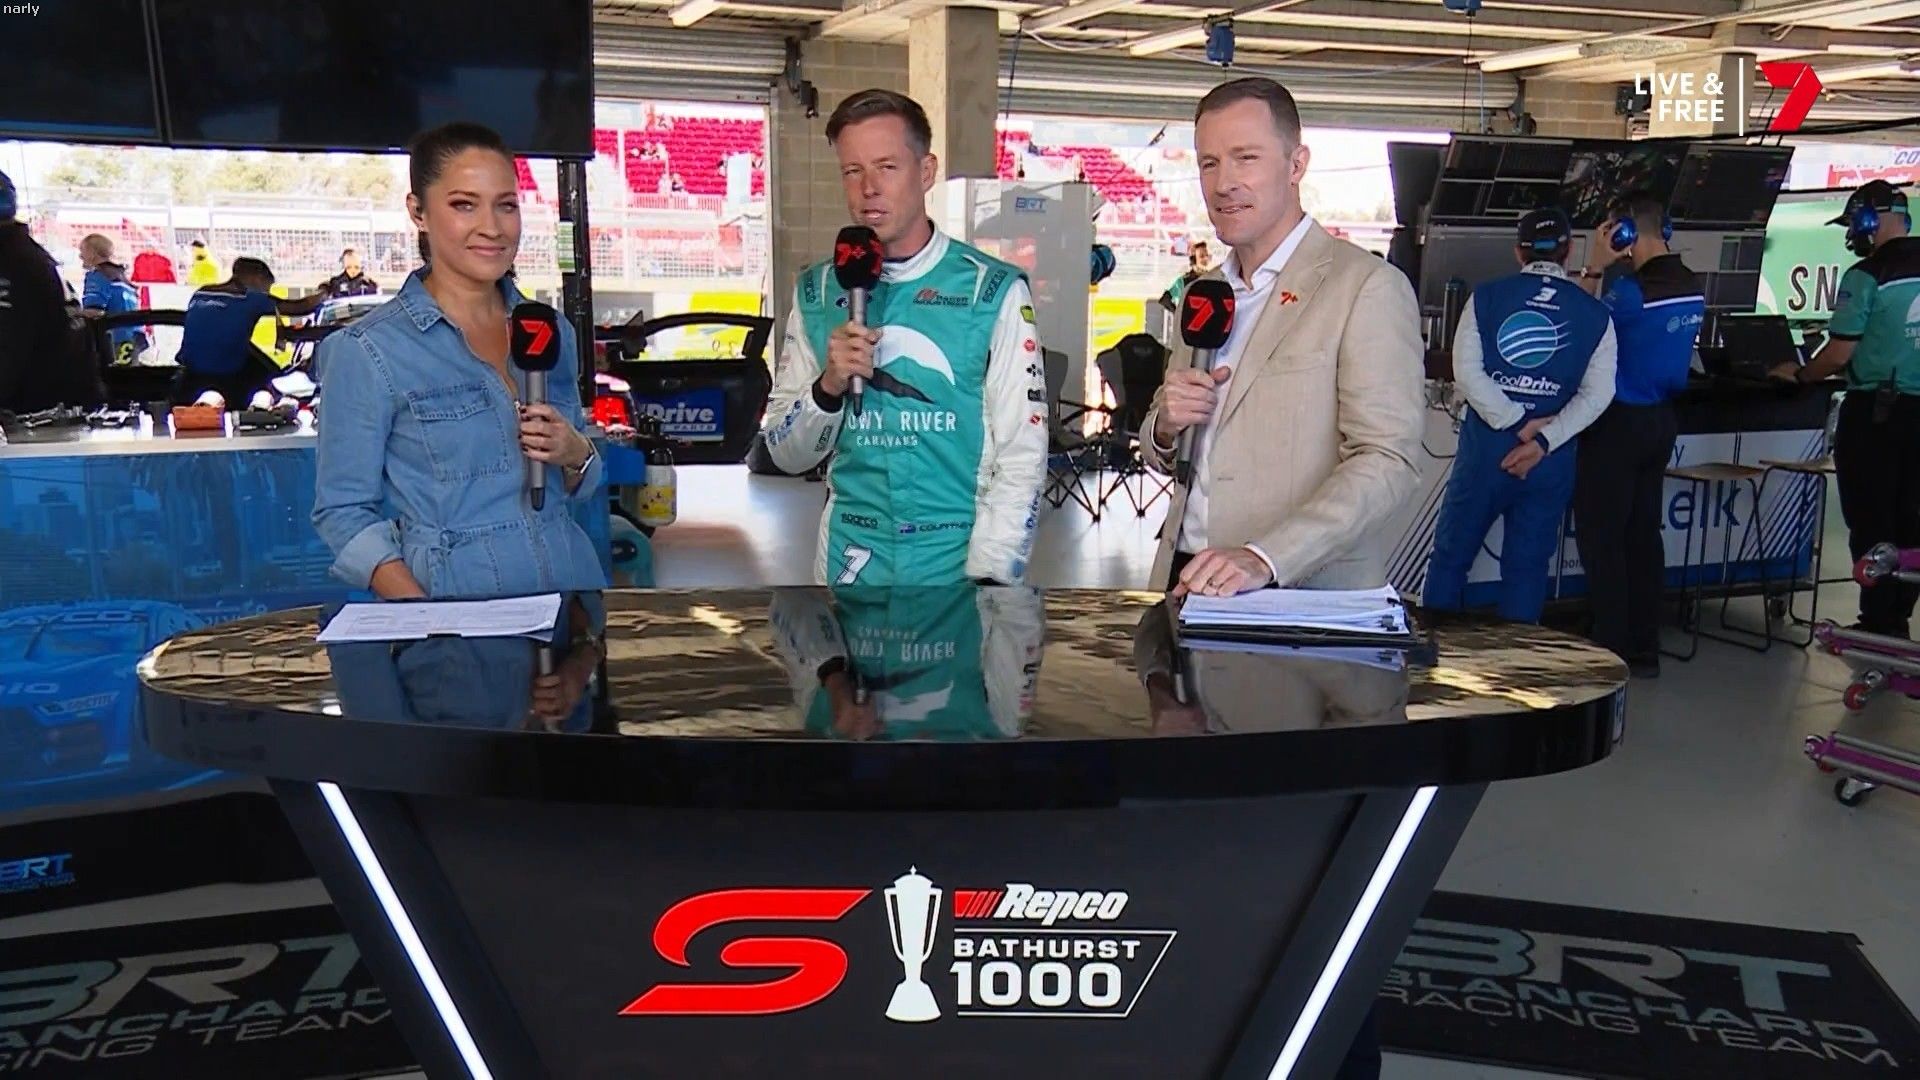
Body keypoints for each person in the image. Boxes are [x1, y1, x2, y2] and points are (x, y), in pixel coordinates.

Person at [1142, 77, 1424, 600]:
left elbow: (1388, 460)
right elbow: (1170, 446)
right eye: (1209, 163)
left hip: (1300, 592)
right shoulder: (1203, 293)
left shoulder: (1365, 287)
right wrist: (1164, 425)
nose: (1224, 183)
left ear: (1296, 165)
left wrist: (1265, 557)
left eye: (1245, 158)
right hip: (1186, 580)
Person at [757, 88, 1047, 586]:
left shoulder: (992, 290)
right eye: (852, 170)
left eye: (887, 167)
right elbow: (786, 455)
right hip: (850, 562)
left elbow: (1023, 452)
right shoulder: (817, 291)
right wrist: (827, 388)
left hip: (956, 565)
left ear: (926, 171)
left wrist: (991, 582)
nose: (869, 188)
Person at [313, 121, 607, 601]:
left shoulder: (549, 329)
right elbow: (343, 513)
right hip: (454, 612)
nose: (492, 227)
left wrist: (576, 452)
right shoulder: (367, 350)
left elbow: (578, 484)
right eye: (464, 205)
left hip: (570, 596)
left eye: (506, 205)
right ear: (419, 212)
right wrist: (427, 618)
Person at [1423, 208, 1616, 623]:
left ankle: (1430, 655)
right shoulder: (1595, 315)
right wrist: (1543, 440)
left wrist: (1514, 421)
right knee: (1527, 570)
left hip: (1486, 450)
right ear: (1568, 251)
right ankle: (1517, 662)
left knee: (1451, 558)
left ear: (1518, 252)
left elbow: (1466, 371)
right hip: (1549, 457)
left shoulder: (1487, 297)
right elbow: (1600, 393)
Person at [1770, 179, 1920, 638]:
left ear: (1871, 220)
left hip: (1877, 414)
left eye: (1855, 223)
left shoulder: (1866, 275)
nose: (1853, 234)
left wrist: (1800, 375)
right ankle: (1898, 615)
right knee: (1912, 519)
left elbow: (1838, 354)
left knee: (1872, 518)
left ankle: (1879, 621)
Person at [1572, 192, 1704, 676]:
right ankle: (1644, 647)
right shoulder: (1691, 284)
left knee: (1603, 537)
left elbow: (1579, 328)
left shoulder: (1630, 292)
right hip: (1661, 421)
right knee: (1644, 536)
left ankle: (1608, 646)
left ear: (1625, 232)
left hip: (1619, 423)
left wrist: (1595, 266)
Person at [0, 170, 104, 413]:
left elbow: (9, 354)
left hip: (43, 414)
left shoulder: (14, 266)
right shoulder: (26, 254)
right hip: (57, 403)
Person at [174, 257, 326, 404]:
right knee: (271, 385)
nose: (267, 292)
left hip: (189, 374)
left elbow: (220, 332)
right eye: (267, 287)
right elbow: (301, 307)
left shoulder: (201, 293)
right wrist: (325, 291)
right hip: (226, 375)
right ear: (257, 278)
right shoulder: (249, 298)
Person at [78, 233, 150, 365]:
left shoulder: (97, 276)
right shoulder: (123, 278)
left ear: (92, 253)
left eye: (82, 251)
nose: (80, 256)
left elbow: (95, 311)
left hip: (113, 340)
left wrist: (71, 314)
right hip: (135, 339)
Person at [1158, 239, 1212, 313]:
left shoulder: (1212, 278)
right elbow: (1165, 300)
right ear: (1193, 260)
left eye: (1207, 255)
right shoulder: (1184, 281)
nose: (1206, 258)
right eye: (1202, 256)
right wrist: (1178, 315)